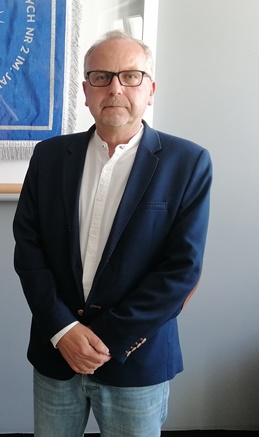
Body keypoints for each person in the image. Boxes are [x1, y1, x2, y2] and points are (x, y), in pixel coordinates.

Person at [13, 30, 212, 437]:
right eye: (101, 77)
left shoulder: (188, 162)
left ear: (150, 90)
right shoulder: (49, 157)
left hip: (135, 359)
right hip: (57, 354)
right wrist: (64, 331)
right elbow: (29, 250)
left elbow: (182, 269)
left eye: (131, 76)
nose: (115, 88)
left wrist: (104, 339)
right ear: (86, 91)